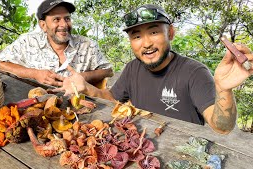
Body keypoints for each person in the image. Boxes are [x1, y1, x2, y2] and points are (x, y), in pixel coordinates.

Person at [54, 4, 253, 134]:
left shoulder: (194, 72)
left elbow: (222, 127)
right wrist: (86, 88)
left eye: (154, 32)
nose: (146, 43)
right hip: (141, 149)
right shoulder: (133, 68)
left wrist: (224, 89)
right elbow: (114, 99)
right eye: (137, 36)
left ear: (171, 33)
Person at [0, 0, 113, 87]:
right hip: (37, 106)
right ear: (43, 25)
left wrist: (83, 77)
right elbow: (1, 64)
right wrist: (34, 73)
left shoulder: (87, 45)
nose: (64, 24)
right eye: (56, 19)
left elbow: (108, 71)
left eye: (67, 19)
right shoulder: (27, 42)